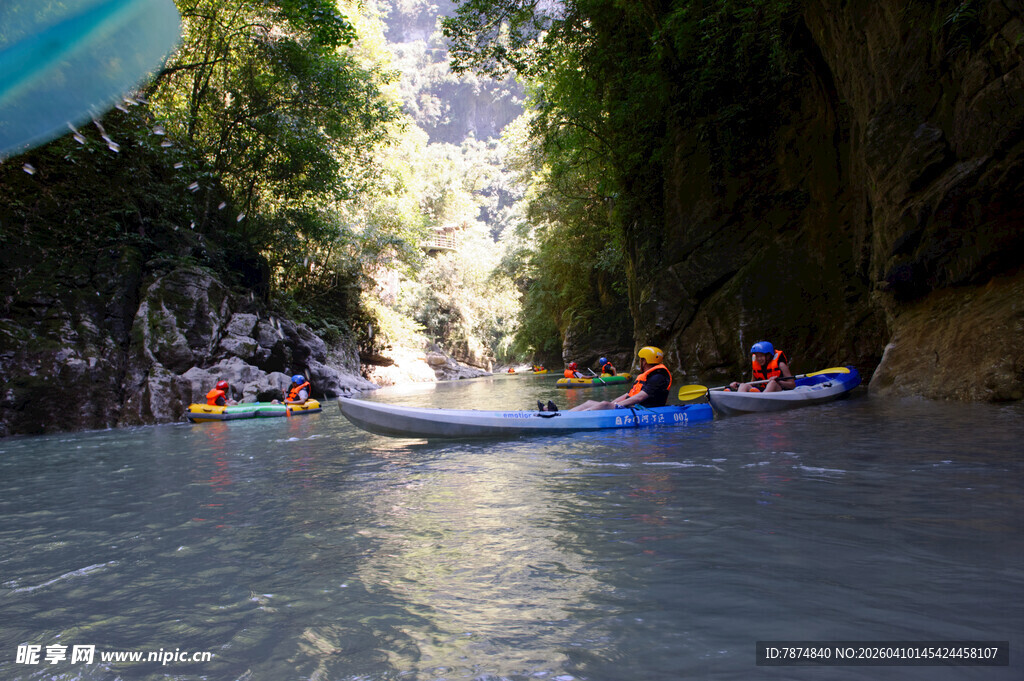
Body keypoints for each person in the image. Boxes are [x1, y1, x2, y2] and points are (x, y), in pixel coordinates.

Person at [569, 346, 672, 411]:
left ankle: (576, 418)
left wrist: (617, 406)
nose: (640, 362)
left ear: (644, 361)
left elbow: (639, 398)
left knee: (604, 405)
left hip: (645, 409)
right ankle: (567, 415)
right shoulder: (648, 376)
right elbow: (629, 394)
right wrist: (612, 403)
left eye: (641, 360)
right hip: (633, 406)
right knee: (590, 402)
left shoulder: (658, 377)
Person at [728, 341, 794, 392]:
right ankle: (739, 400)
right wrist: (738, 385)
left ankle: (761, 399)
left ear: (768, 355)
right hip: (765, 391)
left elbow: (792, 385)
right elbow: (752, 384)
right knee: (743, 385)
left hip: (779, 390)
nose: (759, 359)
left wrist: (778, 381)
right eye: (757, 356)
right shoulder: (756, 366)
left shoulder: (781, 365)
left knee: (772, 383)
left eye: (761, 356)